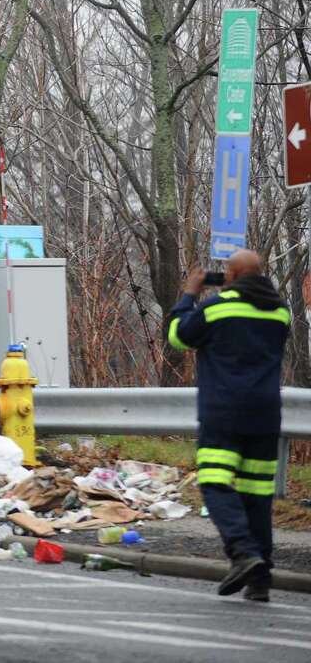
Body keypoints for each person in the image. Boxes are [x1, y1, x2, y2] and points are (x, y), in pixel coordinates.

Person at [167, 249, 291, 601]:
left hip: (224, 412)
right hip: (266, 416)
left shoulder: (217, 307)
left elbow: (178, 336)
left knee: (215, 483)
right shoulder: (281, 311)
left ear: (232, 275)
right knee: (257, 496)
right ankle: (260, 580)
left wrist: (191, 293)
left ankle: (242, 551)